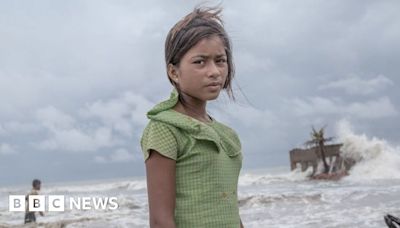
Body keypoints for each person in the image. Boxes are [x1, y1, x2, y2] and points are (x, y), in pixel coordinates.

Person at [141, 6, 244, 228]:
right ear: (174, 72)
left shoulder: (228, 136)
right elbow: (161, 221)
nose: (214, 71)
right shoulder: (165, 129)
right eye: (200, 62)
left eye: (220, 60)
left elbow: (231, 212)